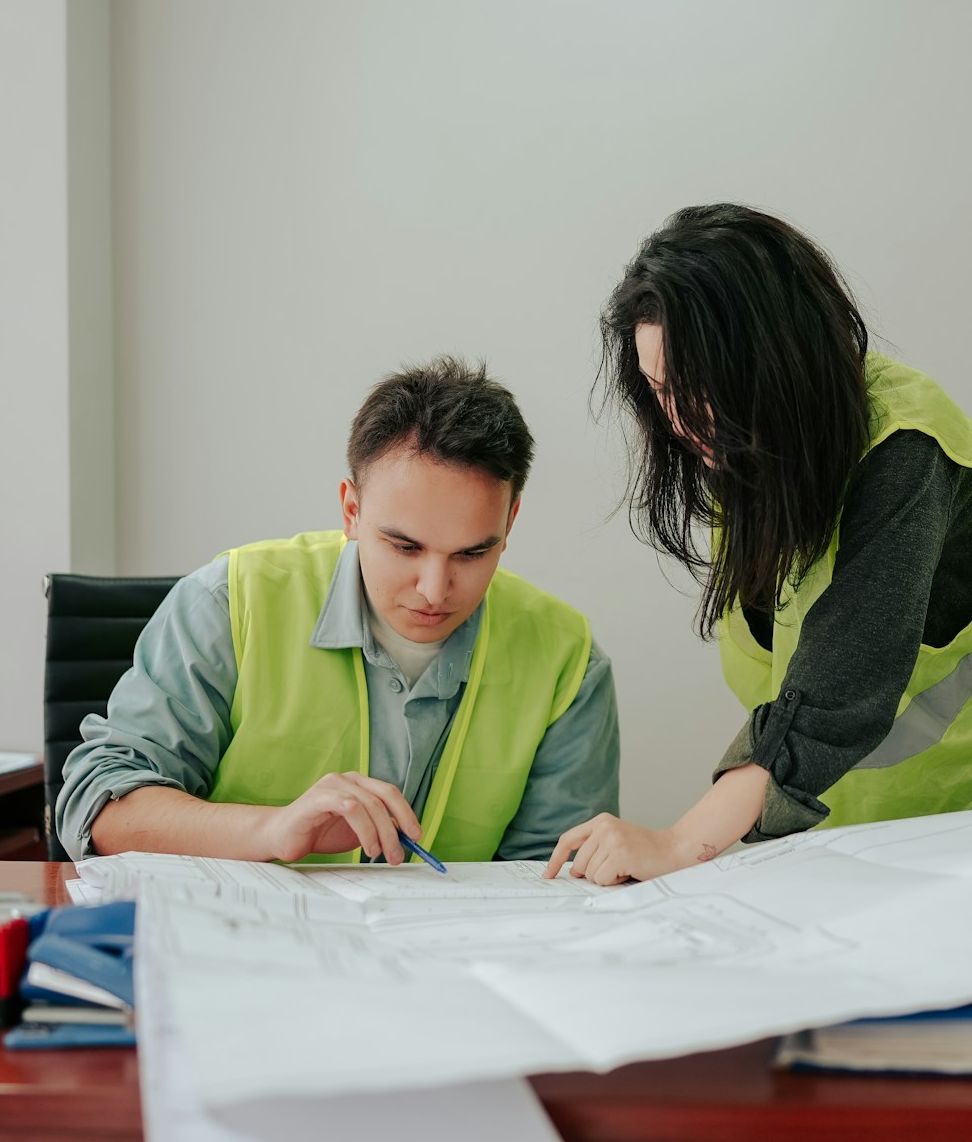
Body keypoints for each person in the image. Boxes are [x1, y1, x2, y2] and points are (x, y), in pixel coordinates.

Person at [547, 204, 972, 886]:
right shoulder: (751, 460)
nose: (679, 422)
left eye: (703, 389)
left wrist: (679, 843)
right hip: (894, 840)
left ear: (775, 358)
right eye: (661, 391)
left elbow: (834, 690)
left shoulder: (905, 449)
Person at [57, 357, 620, 866]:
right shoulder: (229, 601)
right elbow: (98, 809)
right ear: (351, 509)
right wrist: (270, 829)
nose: (434, 589)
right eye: (404, 546)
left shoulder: (567, 659)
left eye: (473, 553)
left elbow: (549, 881)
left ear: (511, 521)